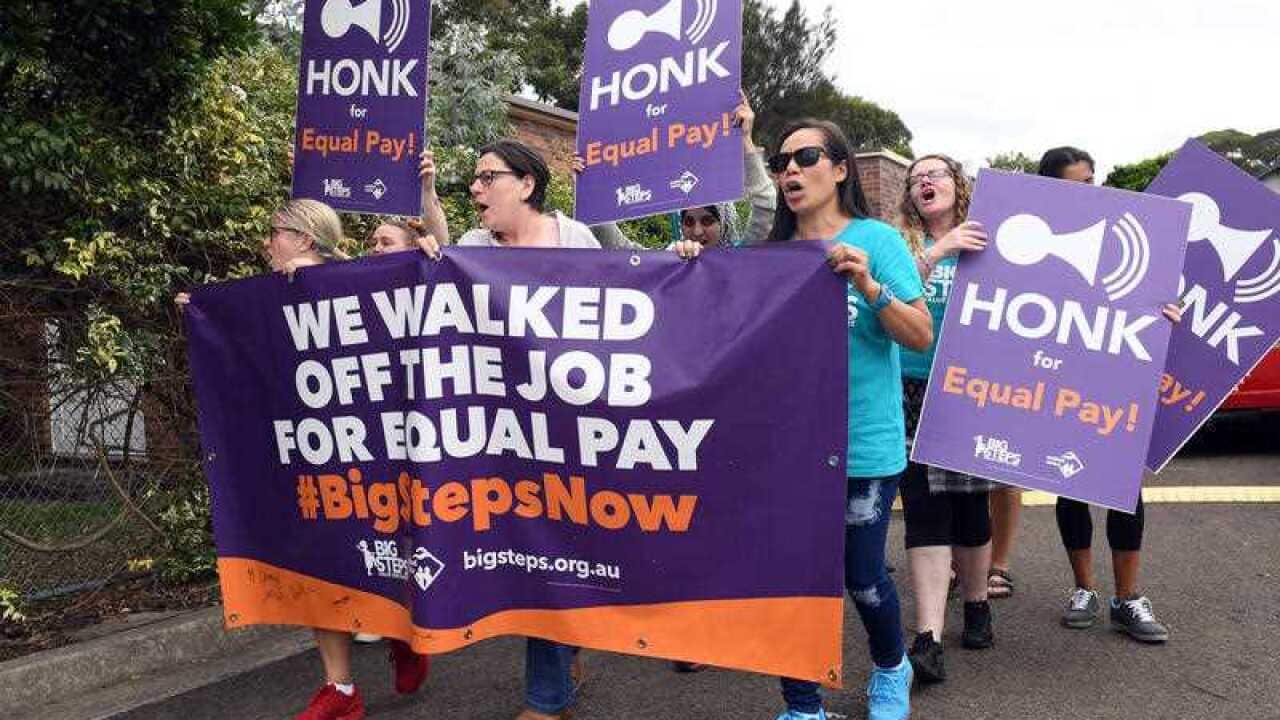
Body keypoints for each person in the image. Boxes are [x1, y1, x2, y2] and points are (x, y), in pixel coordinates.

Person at [679, 119, 931, 720]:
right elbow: (716, 327)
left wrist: (868, 284)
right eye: (782, 161)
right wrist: (690, 263)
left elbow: (920, 337)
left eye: (806, 157)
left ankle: (891, 666)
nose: (790, 170)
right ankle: (801, 704)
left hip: (863, 444)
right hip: (784, 449)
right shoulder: (773, 257)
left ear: (840, 169)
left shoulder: (879, 240)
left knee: (863, 577)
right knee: (788, 579)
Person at [178, 199, 431, 720]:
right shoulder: (269, 295)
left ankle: (402, 634)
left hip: (363, 456)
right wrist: (203, 313)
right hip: (305, 455)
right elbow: (241, 353)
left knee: (374, 555)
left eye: (276, 233)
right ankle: (339, 690)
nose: (268, 242)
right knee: (321, 568)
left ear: (305, 239)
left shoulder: (354, 282)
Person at [416, 138, 593, 720]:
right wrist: (425, 219)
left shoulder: (574, 238)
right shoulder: (473, 245)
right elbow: (443, 262)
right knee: (531, 552)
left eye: (487, 177)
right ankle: (556, 676)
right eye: (473, 179)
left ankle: (547, 698)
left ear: (526, 184)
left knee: (561, 549)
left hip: (572, 429)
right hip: (504, 435)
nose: (476, 188)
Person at [1038, 146, 1173, 644]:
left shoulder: (1125, 239)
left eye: (1094, 181)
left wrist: (1164, 314)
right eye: (1080, 184)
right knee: (1069, 484)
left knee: (1122, 489)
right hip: (1062, 382)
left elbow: (1146, 295)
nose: (1093, 192)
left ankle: (1127, 598)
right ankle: (1084, 590)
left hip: (1114, 382)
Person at [894, 154, 994, 684]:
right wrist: (937, 250)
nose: (924, 181)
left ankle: (977, 604)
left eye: (934, 173)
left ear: (957, 183)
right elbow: (883, 299)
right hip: (908, 389)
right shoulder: (901, 245)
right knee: (924, 508)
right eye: (915, 178)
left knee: (972, 507)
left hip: (970, 391)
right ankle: (928, 636)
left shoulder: (989, 242)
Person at [584, 92, 775, 250]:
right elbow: (618, 248)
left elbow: (766, 207)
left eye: (707, 221)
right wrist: (588, 187)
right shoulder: (670, 266)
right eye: (689, 222)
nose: (697, 232)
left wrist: (745, 139)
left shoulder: (739, 259)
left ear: (724, 224)